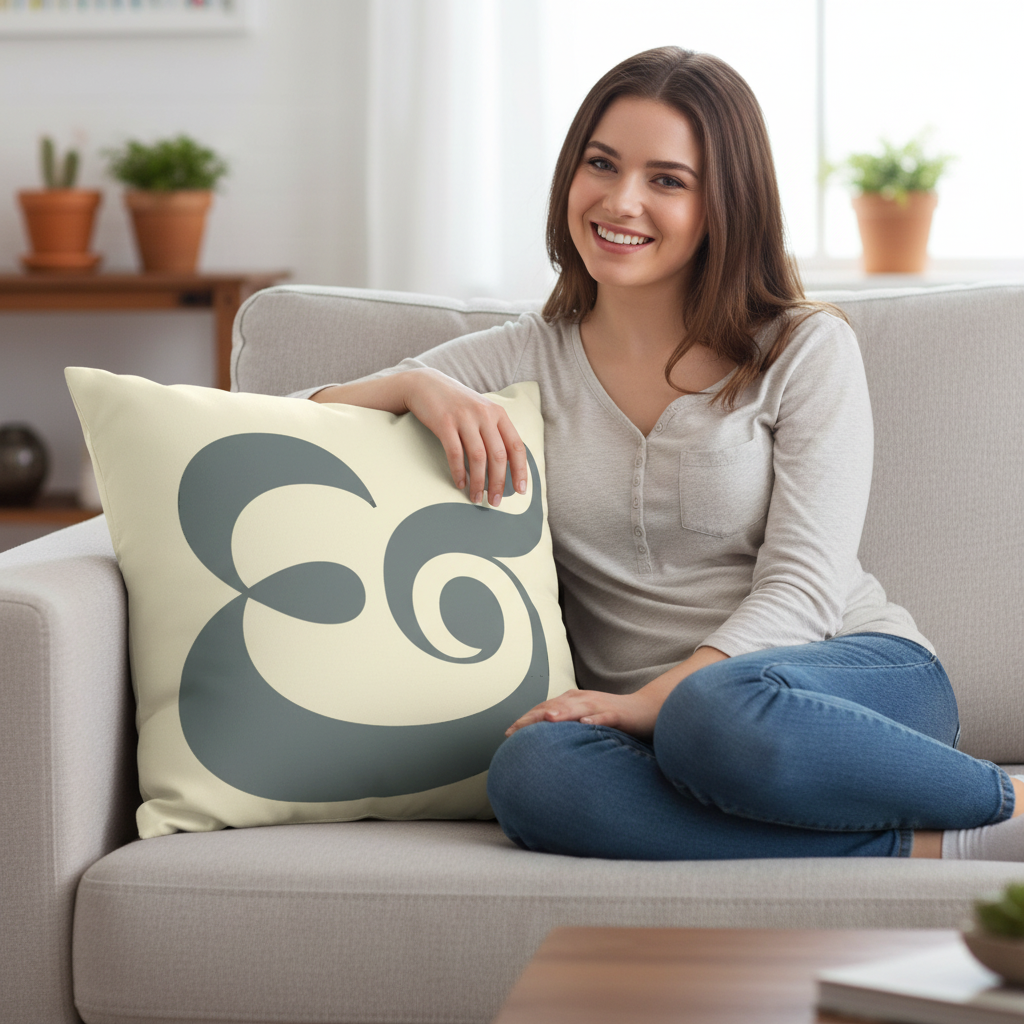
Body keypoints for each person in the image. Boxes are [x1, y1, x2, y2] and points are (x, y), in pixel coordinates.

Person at [298, 46, 1024, 862]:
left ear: (725, 205)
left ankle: (1003, 800)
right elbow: (283, 420)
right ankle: (933, 846)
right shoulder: (518, 358)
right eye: (600, 164)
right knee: (533, 775)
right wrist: (413, 387)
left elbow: (808, 582)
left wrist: (659, 698)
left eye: (667, 180)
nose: (621, 200)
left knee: (712, 713)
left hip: (843, 685)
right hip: (652, 727)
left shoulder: (802, 347)